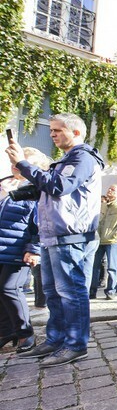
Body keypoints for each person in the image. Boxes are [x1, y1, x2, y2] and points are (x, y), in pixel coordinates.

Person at [8, 113, 104, 367]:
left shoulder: (82, 157)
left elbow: (60, 186)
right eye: (51, 130)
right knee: (52, 292)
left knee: (70, 292)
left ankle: (75, 344)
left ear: (76, 132)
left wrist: (25, 164)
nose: (52, 134)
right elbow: (49, 189)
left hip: (70, 236)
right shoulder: (67, 159)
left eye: (57, 130)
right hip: (53, 235)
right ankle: (56, 339)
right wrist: (19, 189)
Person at [0, 147, 51, 353]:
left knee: (9, 289)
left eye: (20, 161)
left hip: (18, 249)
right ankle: (6, 331)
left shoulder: (36, 189)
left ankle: (25, 333)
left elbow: (39, 223)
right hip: (2, 246)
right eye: (13, 161)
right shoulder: (4, 183)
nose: (15, 164)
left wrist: (33, 249)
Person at [89, 185, 117, 300]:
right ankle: (91, 291)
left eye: (113, 190)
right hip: (99, 240)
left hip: (113, 241)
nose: (109, 190)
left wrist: (116, 235)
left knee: (112, 267)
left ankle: (110, 291)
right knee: (94, 267)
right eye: (109, 188)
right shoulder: (101, 206)